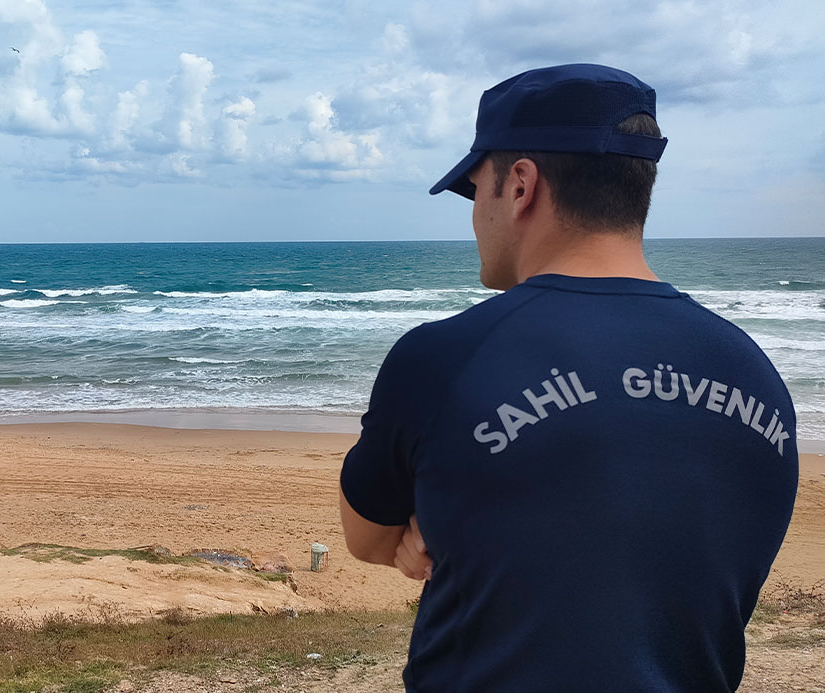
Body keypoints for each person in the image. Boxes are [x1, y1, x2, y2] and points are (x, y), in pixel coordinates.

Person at [339, 64, 797, 691]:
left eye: (475, 191)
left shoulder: (445, 357)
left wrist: (442, 525)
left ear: (520, 185)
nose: (474, 218)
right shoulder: (754, 372)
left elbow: (367, 537)